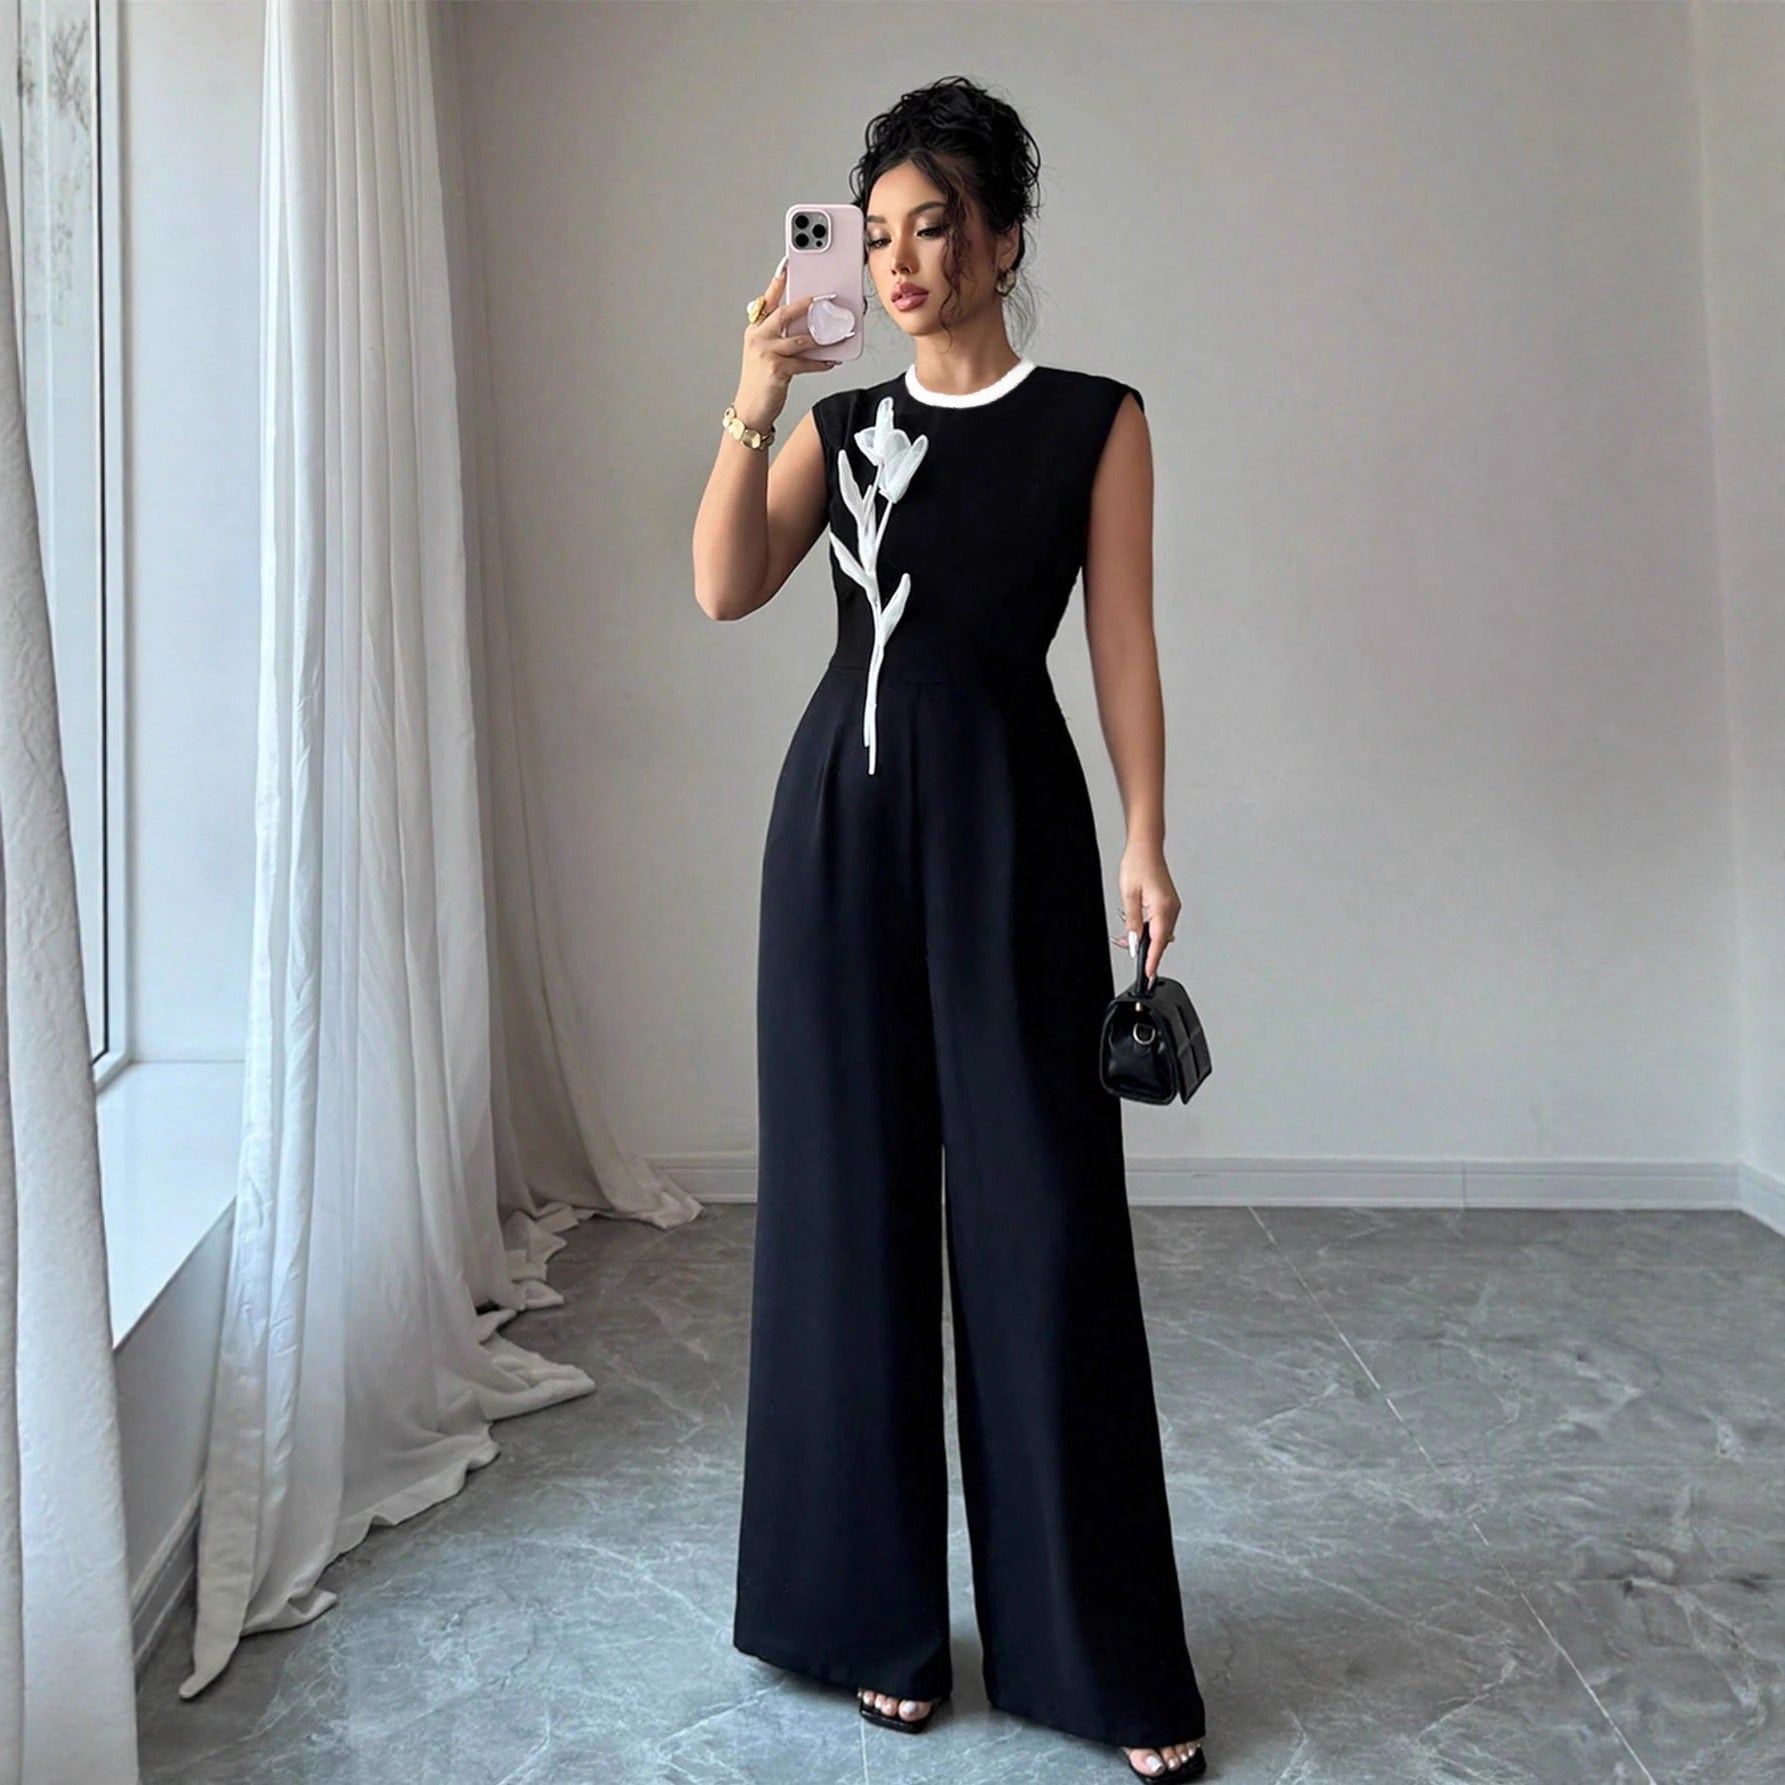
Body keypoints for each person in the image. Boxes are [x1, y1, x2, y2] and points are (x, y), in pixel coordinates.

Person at [691, 75, 1209, 1782]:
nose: (900, 262)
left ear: (1001, 240)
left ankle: (1096, 1656)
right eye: (876, 235)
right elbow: (722, 585)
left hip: (1011, 848)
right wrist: (757, 397)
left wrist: (1145, 836)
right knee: (840, 1222)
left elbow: (1120, 643)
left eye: (933, 229)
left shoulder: (1092, 422)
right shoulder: (839, 431)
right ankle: (870, 1623)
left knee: (1041, 1228)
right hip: (836, 847)